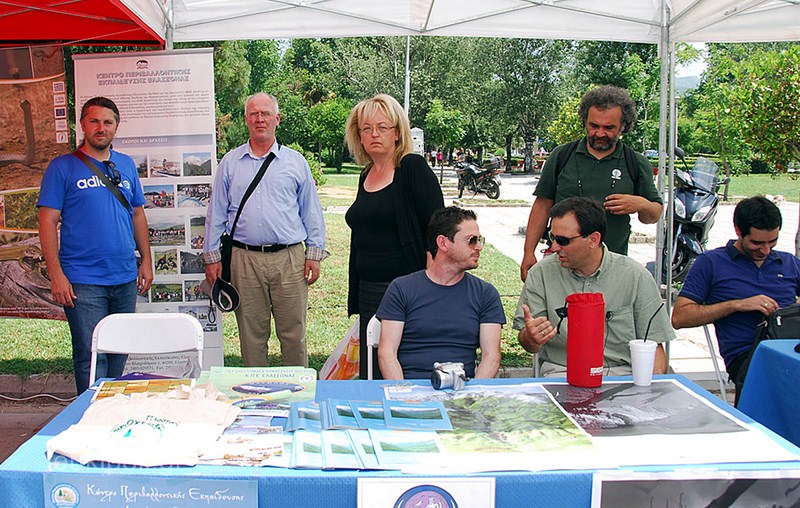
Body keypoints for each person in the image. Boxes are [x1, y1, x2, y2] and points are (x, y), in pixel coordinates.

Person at [37, 97, 153, 394]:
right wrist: (56, 274)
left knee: (119, 351)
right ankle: (90, 416)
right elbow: (47, 222)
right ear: (83, 125)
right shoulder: (62, 167)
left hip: (124, 277)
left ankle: (111, 411)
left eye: (108, 122)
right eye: (94, 121)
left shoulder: (125, 165)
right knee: (91, 356)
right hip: (83, 280)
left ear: (116, 127)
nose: (101, 128)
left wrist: (147, 260)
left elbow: (138, 214)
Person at [204, 92, 327, 368]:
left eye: (266, 114)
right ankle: (257, 397)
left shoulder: (296, 163)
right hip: (244, 260)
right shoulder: (230, 163)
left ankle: (298, 397)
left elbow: (311, 211)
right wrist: (212, 259)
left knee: (293, 333)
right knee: (251, 335)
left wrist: (314, 254)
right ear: (246, 120)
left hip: (290, 260)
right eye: (254, 114)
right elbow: (216, 214)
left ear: (277, 119)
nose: (260, 119)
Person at [344, 93, 444, 379]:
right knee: (372, 371)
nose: (374, 134)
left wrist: (429, 289)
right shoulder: (366, 174)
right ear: (359, 136)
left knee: (402, 368)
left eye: (382, 127)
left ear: (398, 133)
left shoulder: (412, 169)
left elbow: (437, 230)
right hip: (369, 290)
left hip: (405, 291)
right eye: (366, 129)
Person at [514, 197, 673, 377]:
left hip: (623, 375)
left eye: (563, 240)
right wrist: (530, 336)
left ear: (593, 240)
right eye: (551, 237)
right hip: (562, 373)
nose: (554, 247)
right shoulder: (541, 273)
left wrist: (649, 394)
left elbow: (654, 346)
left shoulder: (634, 276)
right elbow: (529, 344)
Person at [520, 85, 663, 281]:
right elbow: (542, 206)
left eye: (609, 128)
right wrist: (529, 252)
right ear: (585, 122)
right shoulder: (562, 156)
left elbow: (653, 215)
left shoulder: (635, 162)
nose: (600, 133)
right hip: (560, 265)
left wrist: (641, 204)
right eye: (594, 126)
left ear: (623, 126)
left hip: (612, 269)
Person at [672, 196, 800, 402]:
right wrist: (736, 305)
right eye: (757, 243)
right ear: (739, 231)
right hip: (751, 357)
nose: (766, 250)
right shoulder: (712, 263)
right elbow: (679, 318)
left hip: (791, 350)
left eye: (772, 242)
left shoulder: (789, 263)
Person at [377, 206, 504, 380]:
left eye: (480, 240)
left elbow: (492, 358)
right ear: (443, 243)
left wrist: (472, 395)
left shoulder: (485, 294)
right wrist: (403, 393)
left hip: (462, 390)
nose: (479, 247)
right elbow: (387, 353)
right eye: (471, 240)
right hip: (411, 389)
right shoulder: (401, 289)